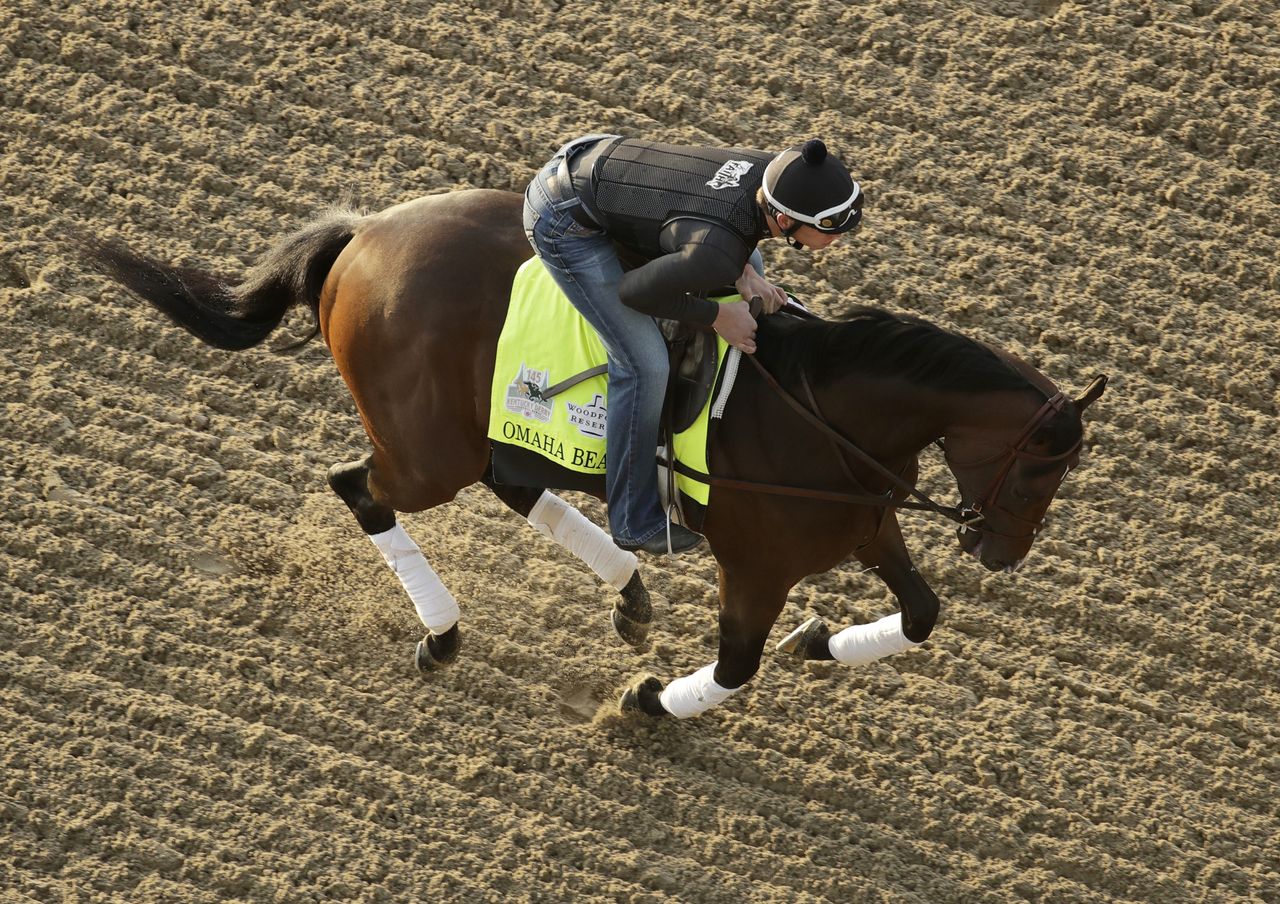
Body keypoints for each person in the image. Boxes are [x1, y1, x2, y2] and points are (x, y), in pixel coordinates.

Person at [522, 135, 863, 555]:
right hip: (562, 218)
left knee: (750, 262)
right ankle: (633, 519)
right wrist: (718, 318)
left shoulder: (769, 172)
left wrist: (743, 272)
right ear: (786, 220)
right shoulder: (716, 252)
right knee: (644, 366)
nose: (838, 239)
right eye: (828, 228)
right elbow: (633, 293)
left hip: (600, 160)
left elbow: (723, 216)